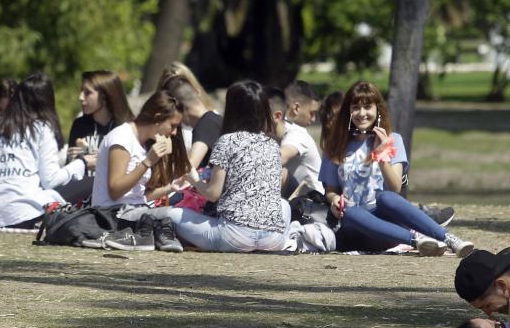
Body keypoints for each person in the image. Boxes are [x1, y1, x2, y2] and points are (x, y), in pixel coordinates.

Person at [320, 81, 473, 256]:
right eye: (355, 107)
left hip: (389, 227)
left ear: (377, 109)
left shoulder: (394, 140)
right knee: (351, 211)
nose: (361, 113)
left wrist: (381, 156)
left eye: (367, 107)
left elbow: (395, 188)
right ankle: (418, 241)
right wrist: (334, 200)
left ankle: (449, 239)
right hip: (354, 228)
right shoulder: (335, 145)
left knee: (386, 197)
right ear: (348, 111)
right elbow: (330, 190)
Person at [0, 73, 94, 230]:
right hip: (25, 213)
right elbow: (50, 180)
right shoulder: (42, 128)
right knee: (93, 183)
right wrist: (83, 163)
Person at [174, 80, 290, 253]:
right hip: (274, 240)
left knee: (169, 214)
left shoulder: (227, 141)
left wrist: (194, 179)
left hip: (234, 237)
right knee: (284, 205)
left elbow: (213, 194)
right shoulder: (272, 145)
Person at [91, 90, 190, 208]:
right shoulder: (122, 137)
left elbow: (139, 196)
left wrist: (172, 187)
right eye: (172, 126)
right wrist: (147, 162)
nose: (174, 132)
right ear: (158, 119)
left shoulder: (143, 143)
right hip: (111, 216)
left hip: (133, 211)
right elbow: (115, 192)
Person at [66, 70, 134, 164]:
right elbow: (70, 170)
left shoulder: (126, 128)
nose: (81, 97)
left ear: (105, 96)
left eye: (87, 92)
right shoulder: (79, 124)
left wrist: (102, 162)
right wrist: (72, 160)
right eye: (81, 91)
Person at [266, 87, 322, 197]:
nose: (314, 119)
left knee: (281, 174)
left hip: (314, 206)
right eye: (312, 113)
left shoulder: (297, 134)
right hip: (296, 201)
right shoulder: (282, 132)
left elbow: (279, 157)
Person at [163, 75, 222, 169]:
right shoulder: (217, 119)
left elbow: (189, 169)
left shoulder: (204, 127)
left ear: (176, 108)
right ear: (197, 92)